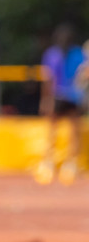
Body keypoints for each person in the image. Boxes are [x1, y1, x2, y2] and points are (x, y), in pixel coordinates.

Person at [38, 24, 84, 185]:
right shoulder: (78, 53)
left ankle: (50, 162)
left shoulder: (52, 54)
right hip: (72, 97)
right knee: (72, 131)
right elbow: (83, 76)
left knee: (54, 131)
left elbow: (48, 79)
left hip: (60, 96)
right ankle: (69, 164)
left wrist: (45, 99)